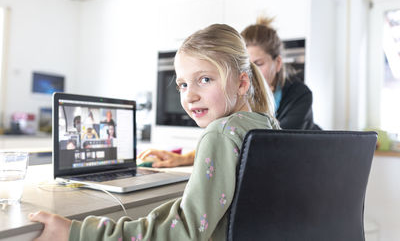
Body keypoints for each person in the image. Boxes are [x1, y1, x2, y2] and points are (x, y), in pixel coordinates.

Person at [28, 24, 280, 241]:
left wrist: (78, 232)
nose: (190, 96)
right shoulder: (263, 124)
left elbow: (185, 231)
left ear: (242, 83)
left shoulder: (221, 133)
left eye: (204, 79)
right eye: (182, 84)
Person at [139, 17, 321, 168]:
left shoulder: (299, 94)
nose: (251, 70)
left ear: (278, 63)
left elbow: (264, 145)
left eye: (258, 64)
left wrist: (186, 158)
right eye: (247, 64)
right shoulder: (239, 99)